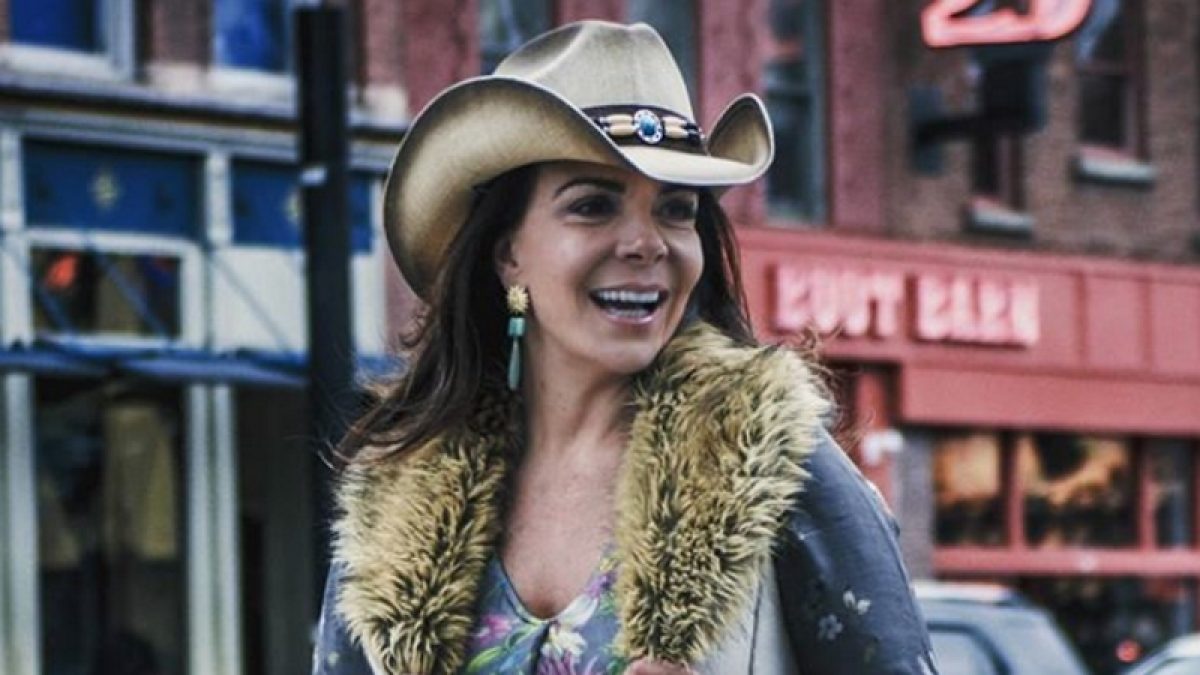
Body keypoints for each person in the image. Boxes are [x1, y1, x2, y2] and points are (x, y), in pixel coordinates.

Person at [313, 20, 938, 675]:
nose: (647, 243)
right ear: (508, 255)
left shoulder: (773, 462)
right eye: (593, 206)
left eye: (676, 210)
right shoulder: (398, 497)